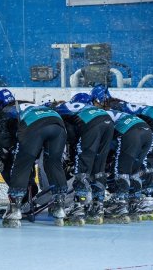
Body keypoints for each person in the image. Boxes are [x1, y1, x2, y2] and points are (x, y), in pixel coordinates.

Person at [91, 85, 153, 219]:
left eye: (94, 102)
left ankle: (147, 201)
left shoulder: (111, 108)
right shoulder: (116, 103)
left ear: (99, 99)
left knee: (142, 165)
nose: (94, 105)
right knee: (146, 163)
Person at [0, 89, 68, 228]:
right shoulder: (28, 104)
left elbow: (3, 138)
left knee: (22, 164)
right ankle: (60, 208)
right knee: (54, 164)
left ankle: (15, 211)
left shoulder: (6, 111)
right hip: (57, 123)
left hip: (35, 125)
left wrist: (8, 150)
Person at [53, 93, 114, 225]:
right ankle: (98, 206)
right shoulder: (91, 108)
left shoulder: (66, 107)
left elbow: (70, 134)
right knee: (99, 166)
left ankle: (79, 207)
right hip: (108, 121)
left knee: (83, 165)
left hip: (92, 124)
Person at [104, 109, 153, 223]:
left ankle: (120, 204)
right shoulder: (112, 112)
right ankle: (134, 202)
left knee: (121, 170)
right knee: (134, 171)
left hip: (130, 131)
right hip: (147, 132)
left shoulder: (101, 115)